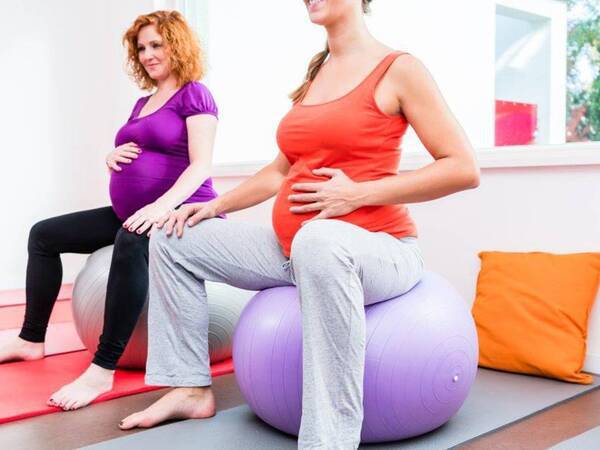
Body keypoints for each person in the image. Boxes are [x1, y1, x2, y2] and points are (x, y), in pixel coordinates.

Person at [120, 1, 480, 448]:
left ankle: (328, 441)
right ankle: (190, 387)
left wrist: (360, 193)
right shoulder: (318, 73)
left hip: (380, 249)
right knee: (174, 238)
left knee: (319, 240)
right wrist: (213, 207)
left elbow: (463, 168)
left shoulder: (399, 69)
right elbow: (279, 171)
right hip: (294, 252)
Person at [0, 10, 220, 411]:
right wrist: (112, 154)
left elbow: (200, 165)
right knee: (43, 235)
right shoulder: (143, 102)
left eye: (157, 44)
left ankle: (103, 369)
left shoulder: (195, 94)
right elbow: (144, 148)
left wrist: (159, 207)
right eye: (142, 48)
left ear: (177, 44)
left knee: (130, 240)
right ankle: (30, 339)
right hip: (133, 212)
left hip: (181, 212)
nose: (148, 54)